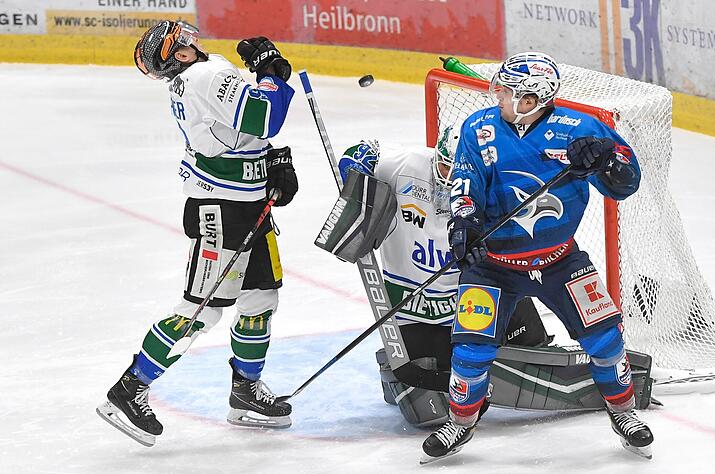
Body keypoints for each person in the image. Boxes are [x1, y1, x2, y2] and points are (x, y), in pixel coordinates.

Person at [421, 52, 653, 462]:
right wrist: (465, 220)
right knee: (471, 350)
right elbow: (464, 181)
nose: (500, 98)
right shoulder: (479, 127)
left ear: (531, 99)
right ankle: (461, 421)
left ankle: (623, 412)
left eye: (509, 93)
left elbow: (625, 182)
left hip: (559, 260)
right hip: (493, 264)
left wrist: (606, 159)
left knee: (606, 340)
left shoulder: (579, 128)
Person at [96, 20, 298, 447]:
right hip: (222, 212)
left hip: (246, 204)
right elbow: (264, 117)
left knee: (261, 299)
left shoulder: (199, 75)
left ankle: (245, 392)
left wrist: (272, 162)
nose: (193, 40)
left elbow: (240, 135)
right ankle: (129, 389)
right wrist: (270, 70)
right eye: (184, 41)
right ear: (181, 55)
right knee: (201, 309)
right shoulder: (206, 75)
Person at [336, 133, 551, 428]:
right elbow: (366, 149)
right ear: (436, 156)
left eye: (459, 171)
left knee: (529, 343)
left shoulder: (489, 187)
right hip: (413, 306)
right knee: (428, 402)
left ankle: (524, 341)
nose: (450, 179)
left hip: (469, 300)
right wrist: (355, 162)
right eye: (445, 167)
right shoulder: (404, 166)